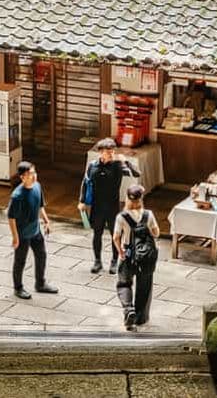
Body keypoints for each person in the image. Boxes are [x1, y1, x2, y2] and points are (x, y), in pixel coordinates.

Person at [78, 138, 141, 275]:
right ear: (101, 152)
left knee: (115, 234)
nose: (111, 154)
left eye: (112, 151)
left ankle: (114, 261)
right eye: (108, 152)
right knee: (97, 234)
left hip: (113, 206)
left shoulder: (117, 166)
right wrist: (82, 201)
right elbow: (85, 183)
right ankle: (97, 261)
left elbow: (137, 174)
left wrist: (126, 161)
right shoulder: (92, 166)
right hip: (97, 206)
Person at [7, 161, 59, 300]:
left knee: (41, 255)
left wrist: (46, 221)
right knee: (20, 261)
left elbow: (40, 206)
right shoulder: (17, 196)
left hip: (36, 231)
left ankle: (40, 283)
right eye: (30, 174)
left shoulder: (37, 186)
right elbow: (11, 217)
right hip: (22, 234)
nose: (34, 176)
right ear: (22, 177)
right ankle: (18, 288)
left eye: (34, 172)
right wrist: (15, 237)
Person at [113, 184, 160, 330]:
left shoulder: (122, 217)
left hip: (128, 254)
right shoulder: (148, 215)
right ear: (141, 199)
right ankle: (140, 318)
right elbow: (156, 233)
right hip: (145, 257)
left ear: (128, 198)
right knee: (144, 287)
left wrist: (120, 252)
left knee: (124, 283)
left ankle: (129, 310)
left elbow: (116, 237)